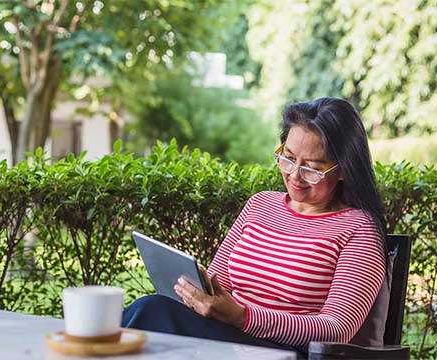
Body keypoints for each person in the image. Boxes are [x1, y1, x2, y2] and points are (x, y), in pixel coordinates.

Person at [121, 97, 387, 359]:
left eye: (312, 168)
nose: (294, 175)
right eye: (289, 158)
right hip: (228, 342)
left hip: (284, 352)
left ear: (343, 170)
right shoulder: (260, 205)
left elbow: (336, 329)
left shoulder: (359, 230)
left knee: (150, 312)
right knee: (153, 312)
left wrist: (243, 317)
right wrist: (200, 296)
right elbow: (217, 284)